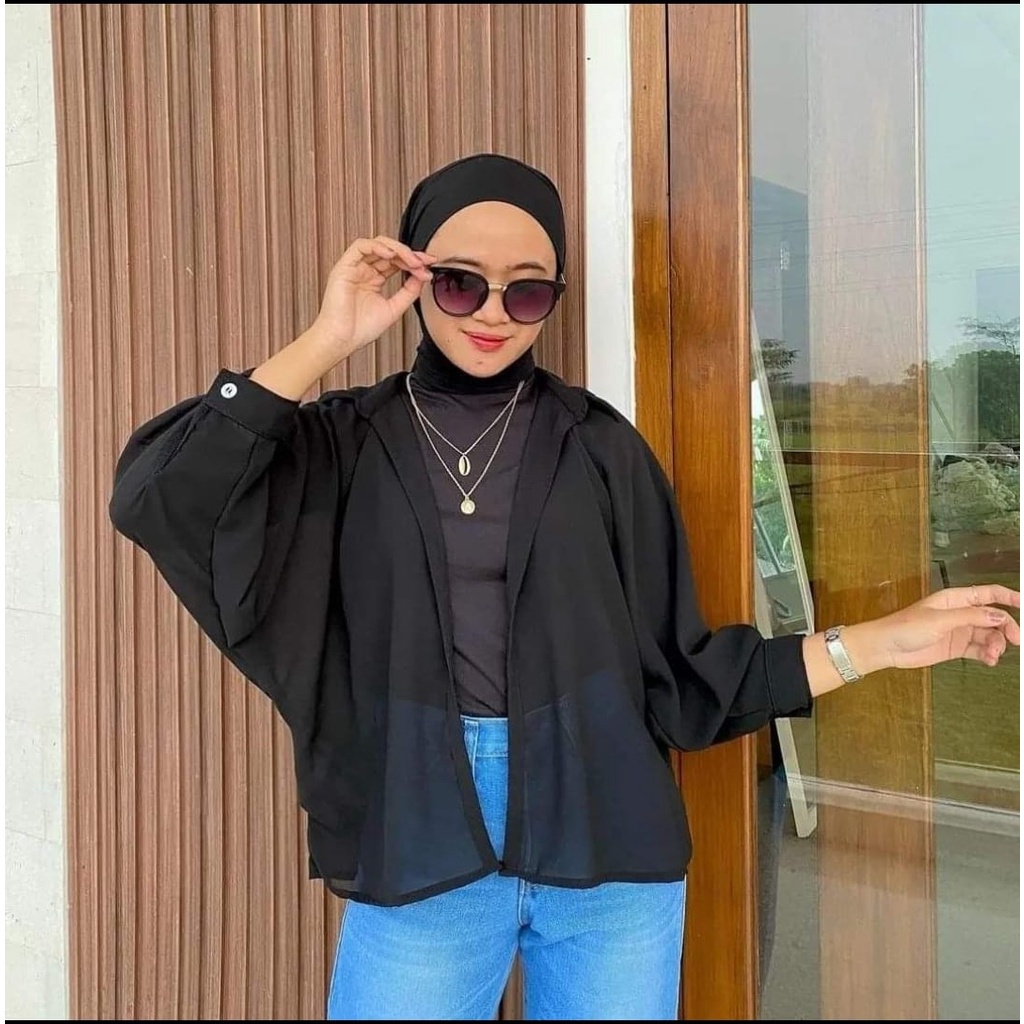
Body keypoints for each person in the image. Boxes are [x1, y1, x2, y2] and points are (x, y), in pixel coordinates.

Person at [108, 153, 1020, 1021]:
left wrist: (882, 642)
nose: (492, 313)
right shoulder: (339, 443)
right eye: (459, 282)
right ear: (414, 278)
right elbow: (160, 498)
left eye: (527, 290)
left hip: (608, 847)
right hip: (415, 835)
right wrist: (327, 338)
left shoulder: (601, 447)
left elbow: (685, 679)